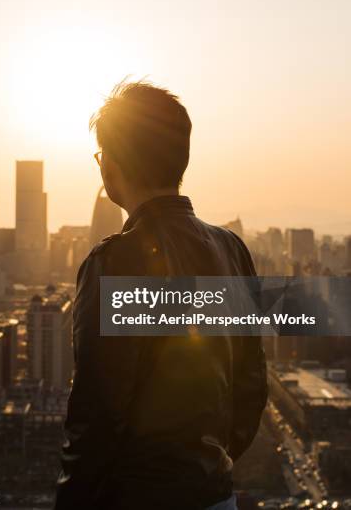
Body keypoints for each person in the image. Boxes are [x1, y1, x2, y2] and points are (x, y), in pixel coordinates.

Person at [55, 81, 267, 510]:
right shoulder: (232, 249)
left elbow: (97, 411)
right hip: (216, 496)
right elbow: (251, 384)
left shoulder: (114, 261)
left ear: (112, 164)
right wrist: (208, 462)